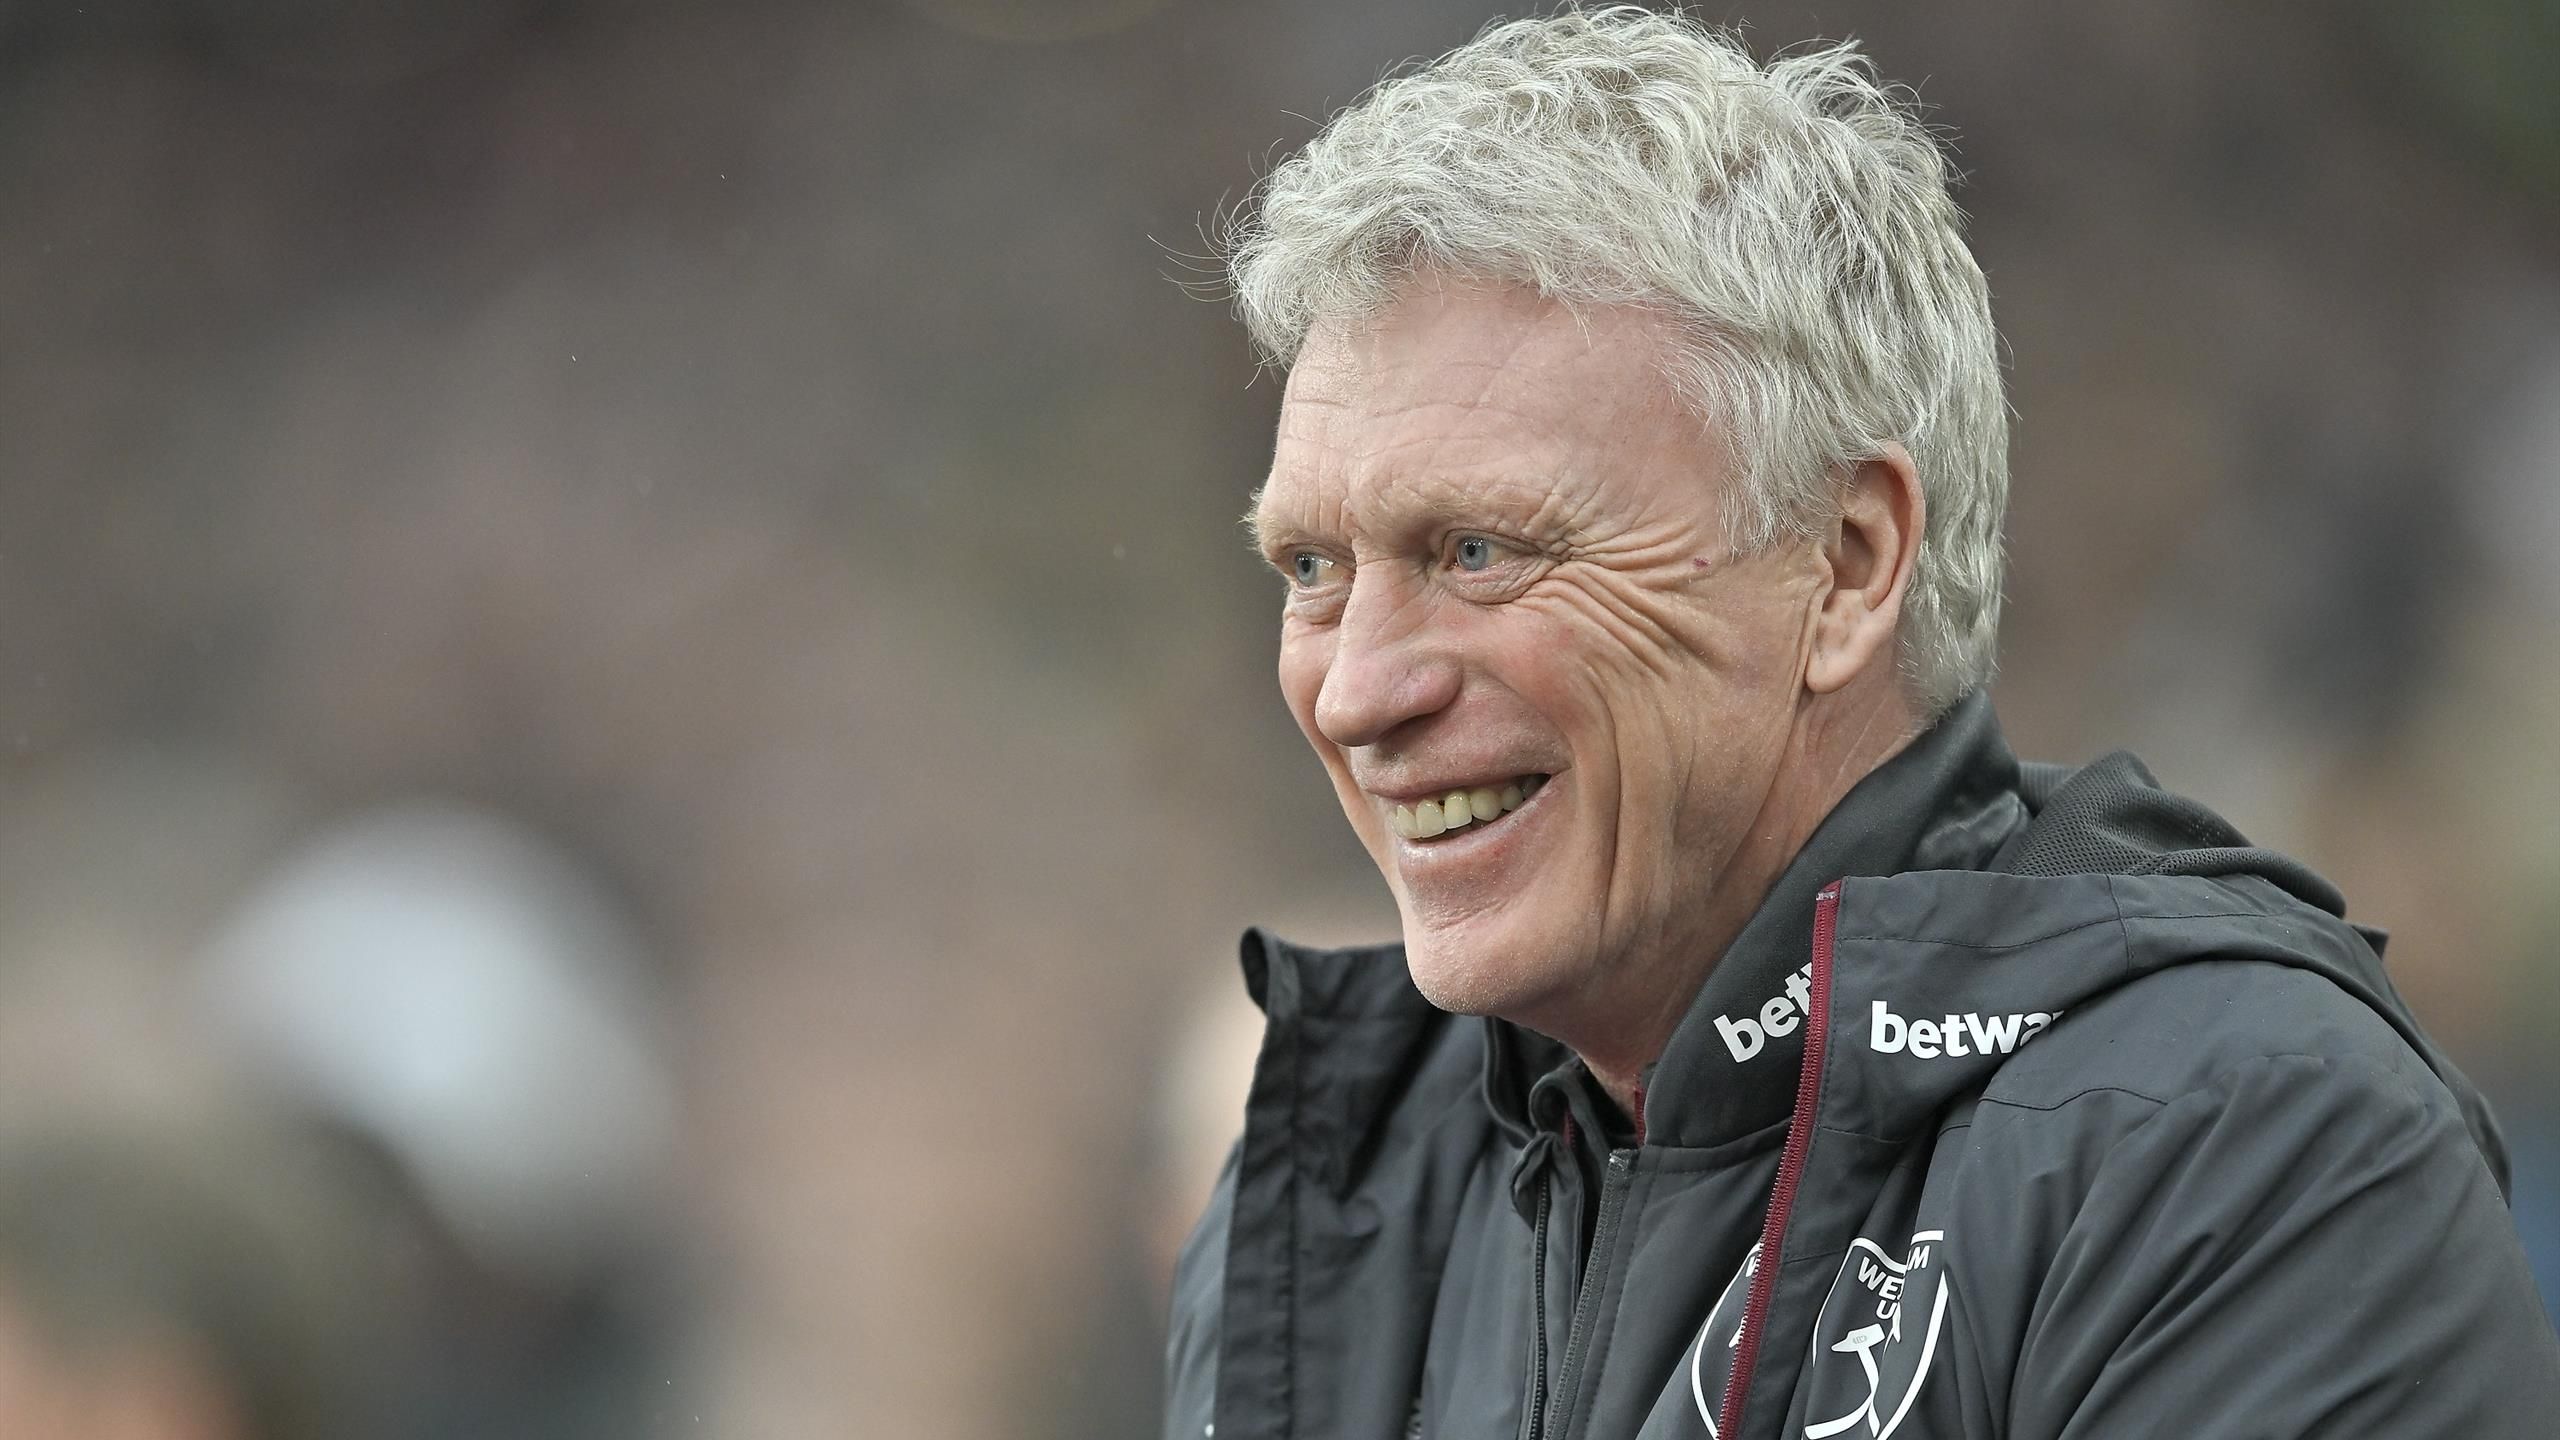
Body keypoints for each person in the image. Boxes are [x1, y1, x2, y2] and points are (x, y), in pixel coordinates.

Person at [1162, 9, 2560, 1439]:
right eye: (1312, 569)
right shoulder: (1332, 1200)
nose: (1358, 691)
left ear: (1844, 564)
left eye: (1478, 552)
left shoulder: (2239, 1152)